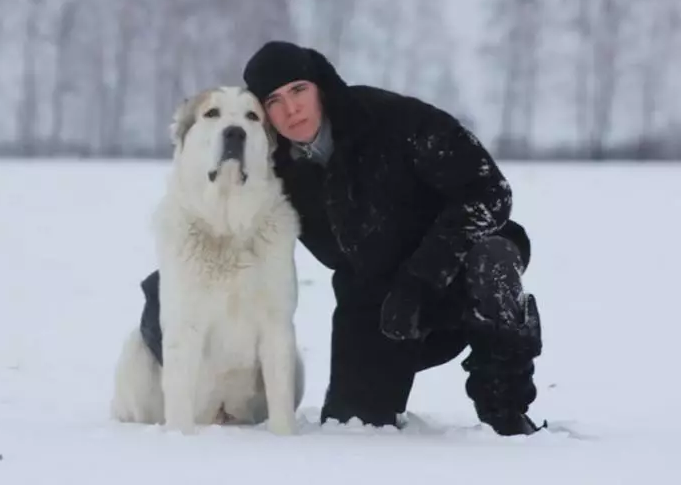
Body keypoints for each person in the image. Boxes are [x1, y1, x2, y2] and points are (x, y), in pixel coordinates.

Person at [138, 40, 546, 436]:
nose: (291, 108)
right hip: (378, 301)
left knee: (492, 259)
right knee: (354, 424)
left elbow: (491, 191)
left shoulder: (393, 120)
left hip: (455, 270)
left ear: (320, 86)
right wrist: (166, 306)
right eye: (275, 101)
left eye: (299, 90)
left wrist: (422, 279)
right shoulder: (274, 168)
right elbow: (224, 228)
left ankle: (506, 409)